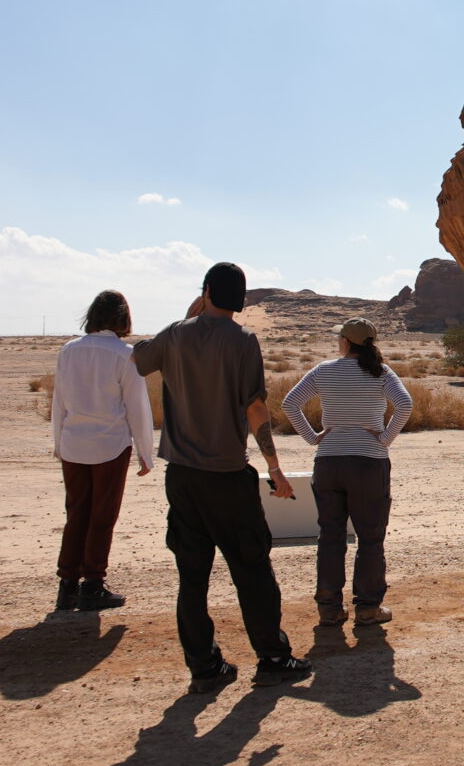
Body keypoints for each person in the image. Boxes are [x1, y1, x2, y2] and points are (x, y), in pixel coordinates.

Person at [131, 262, 311, 694]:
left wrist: (186, 316)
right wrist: (273, 466)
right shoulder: (244, 341)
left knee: (192, 576)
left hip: (184, 478)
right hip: (228, 477)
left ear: (207, 291)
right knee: (251, 570)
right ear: (242, 301)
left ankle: (204, 665)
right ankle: (272, 656)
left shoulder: (176, 333)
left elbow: (138, 361)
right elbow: (254, 409)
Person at [281, 318, 413, 627]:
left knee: (330, 536)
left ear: (345, 342)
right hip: (368, 462)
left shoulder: (325, 370)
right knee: (369, 536)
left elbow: (290, 404)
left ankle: (329, 607)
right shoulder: (380, 371)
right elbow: (405, 405)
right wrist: (384, 438)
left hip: (329, 462)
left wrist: (314, 438)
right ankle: (367, 607)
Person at [50, 289, 154, 613]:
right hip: (110, 444)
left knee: (76, 513)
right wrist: (145, 452)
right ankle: (92, 584)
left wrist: (58, 443)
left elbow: (59, 402)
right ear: (123, 318)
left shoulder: (68, 351)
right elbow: (137, 408)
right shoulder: (125, 354)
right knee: (102, 516)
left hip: (73, 443)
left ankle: (67, 586)